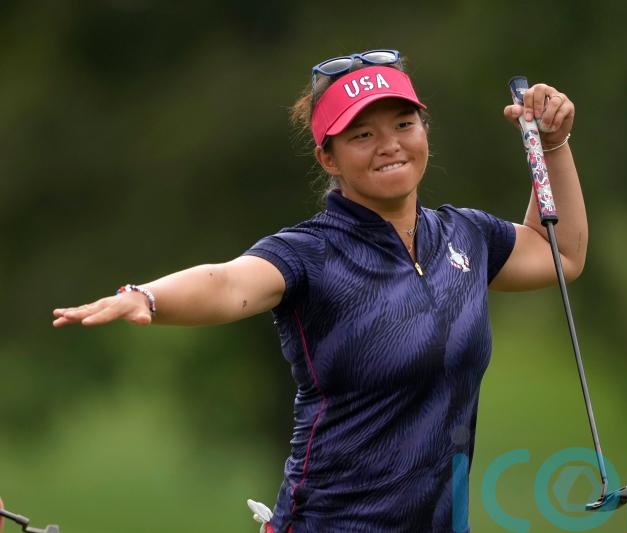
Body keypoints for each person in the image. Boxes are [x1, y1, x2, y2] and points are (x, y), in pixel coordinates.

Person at [52, 49, 586, 533]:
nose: (389, 145)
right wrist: (146, 296)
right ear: (328, 157)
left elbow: (559, 254)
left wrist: (554, 145)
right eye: (361, 135)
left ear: (425, 130)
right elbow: (230, 282)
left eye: (403, 123)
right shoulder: (310, 252)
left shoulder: (464, 235)